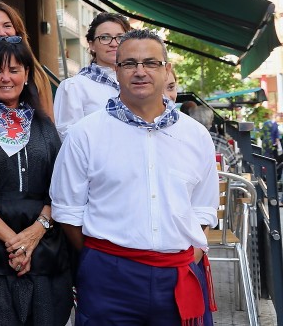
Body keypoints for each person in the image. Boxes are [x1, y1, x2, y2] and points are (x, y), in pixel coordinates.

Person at [50, 29, 219, 325]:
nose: (140, 71)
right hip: (109, 278)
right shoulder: (85, 134)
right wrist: (106, 261)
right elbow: (68, 212)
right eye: (129, 63)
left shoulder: (196, 135)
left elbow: (203, 209)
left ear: (166, 69)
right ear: (116, 71)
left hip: (177, 276)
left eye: (150, 63)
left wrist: (180, 259)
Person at [0, 37, 72, 325]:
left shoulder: (45, 126)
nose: (6, 78)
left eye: (15, 69)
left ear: (27, 74)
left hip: (42, 244)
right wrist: (14, 243)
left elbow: (61, 189)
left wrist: (34, 234)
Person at [52, 12, 131, 139]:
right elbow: (68, 137)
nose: (114, 43)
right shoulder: (75, 87)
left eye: (120, 37)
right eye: (105, 37)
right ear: (91, 45)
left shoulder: (137, 82)